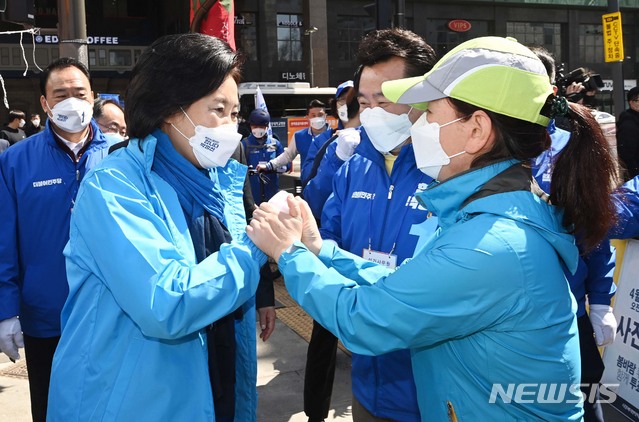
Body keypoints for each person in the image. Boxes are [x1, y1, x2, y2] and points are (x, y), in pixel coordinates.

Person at [247, 36, 619, 420]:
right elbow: (408, 287)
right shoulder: (487, 216)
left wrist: (288, 253)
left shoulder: (490, 244)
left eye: (429, 113)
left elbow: (364, 318)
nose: (418, 125)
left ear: (477, 129)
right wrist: (321, 249)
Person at [46, 33, 266, 422]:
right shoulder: (113, 188)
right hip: (130, 404)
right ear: (170, 108)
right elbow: (167, 302)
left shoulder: (219, 182)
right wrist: (258, 246)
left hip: (214, 390)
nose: (231, 127)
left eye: (235, 113)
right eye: (218, 109)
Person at [302, 28, 438, 422]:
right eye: (365, 102)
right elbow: (329, 240)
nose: (373, 113)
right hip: (367, 385)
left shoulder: (451, 172)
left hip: (432, 392)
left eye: (386, 101)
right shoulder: (353, 169)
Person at [0, 57, 109, 422]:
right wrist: (6, 309)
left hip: (113, 313)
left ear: (93, 97)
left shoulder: (121, 156)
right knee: (51, 410)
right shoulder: (15, 162)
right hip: (46, 316)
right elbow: (4, 240)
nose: (71, 101)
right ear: (45, 104)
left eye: (79, 93)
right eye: (59, 94)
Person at [530, 45, 617, 422]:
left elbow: (597, 225)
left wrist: (599, 299)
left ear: (552, 88)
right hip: (498, 313)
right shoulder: (475, 144)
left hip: (565, 313)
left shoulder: (573, 146)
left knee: (582, 401)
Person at [301, 80, 358, 192]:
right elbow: (307, 178)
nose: (347, 104)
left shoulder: (372, 138)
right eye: (342, 100)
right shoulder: (322, 140)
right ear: (335, 106)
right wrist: (332, 153)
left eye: (353, 100)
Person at [258, 99, 331, 182]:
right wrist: (269, 165)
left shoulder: (334, 135)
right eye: (313, 115)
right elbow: (288, 156)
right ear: (307, 117)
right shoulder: (299, 136)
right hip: (308, 184)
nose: (317, 118)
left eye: (320, 115)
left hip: (330, 184)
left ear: (325, 116)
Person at [242, 108, 289, 204]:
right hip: (252, 193)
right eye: (255, 126)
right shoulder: (244, 144)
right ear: (250, 126)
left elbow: (286, 166)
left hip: (272, 191)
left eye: (261, 126)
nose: (258, 129)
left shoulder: (275, 144)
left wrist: (271, 168)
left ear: (267, 126)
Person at [616, 87, 639, 181]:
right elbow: (626, 152)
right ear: (631, 102)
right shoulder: (628, 123)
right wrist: (635, 173)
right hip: (635, 176)